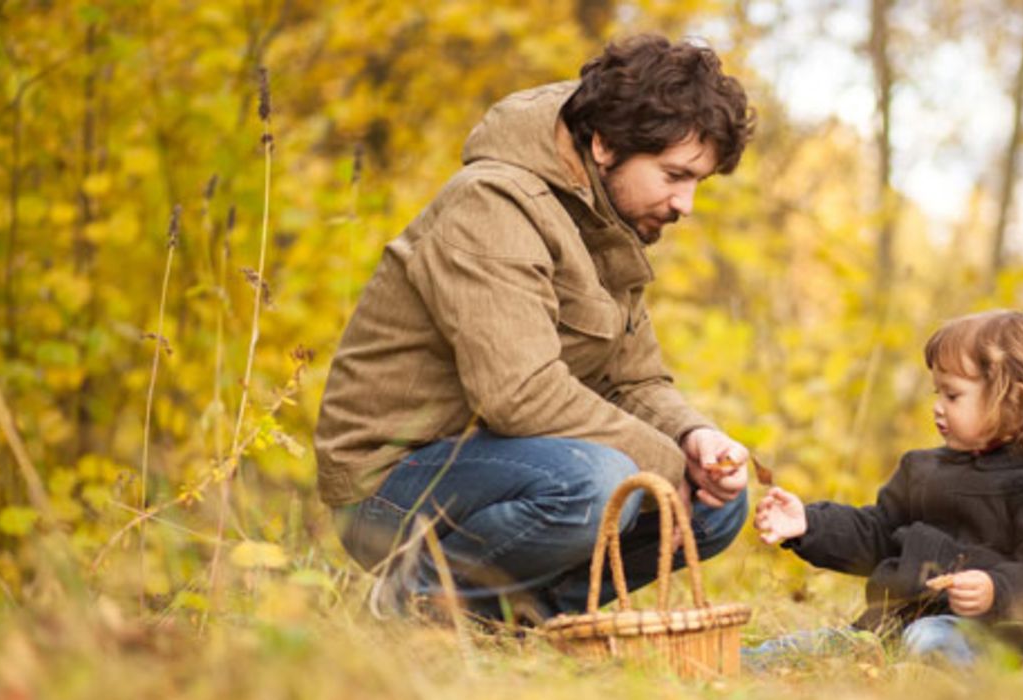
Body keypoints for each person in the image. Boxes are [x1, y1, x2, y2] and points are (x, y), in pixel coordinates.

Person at [314, 35, 756, 623]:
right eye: (675, 175)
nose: (686, 205)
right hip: (391, 483)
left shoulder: (607, 223)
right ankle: (407, 603)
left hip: (504, 466)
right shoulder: (492, 204)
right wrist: (663, 463)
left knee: (715, 503)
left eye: (698, 182)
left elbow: (635, 380)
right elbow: (519, 396)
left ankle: (511, 621)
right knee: (599, 484)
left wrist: (692, 440)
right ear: (604, 144)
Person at [751, 310, 1023, 666]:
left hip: (996, 636)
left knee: (929, 638)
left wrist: (996, 589)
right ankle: (727, 664)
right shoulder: (922, 470)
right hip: (893, 626)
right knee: (808, 647)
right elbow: (877, 534)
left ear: (1013, 400)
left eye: (953, 396)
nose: (937, 408)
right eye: (937, 392)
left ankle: (951, 678)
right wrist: (808, 523)